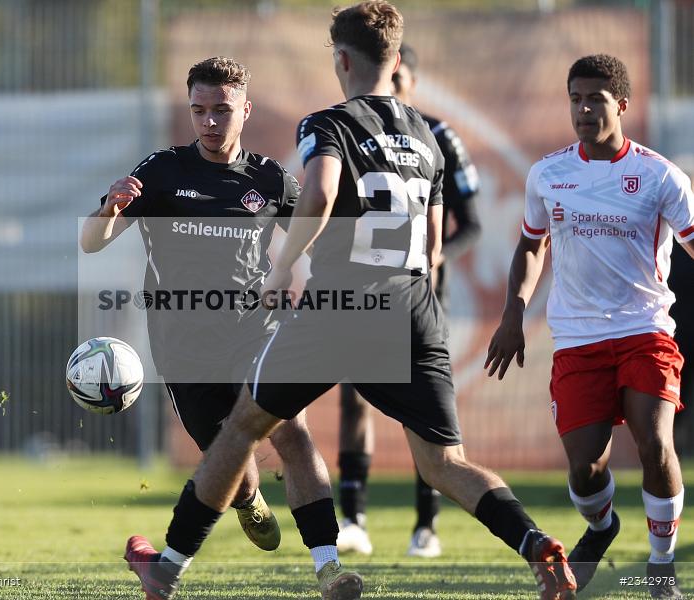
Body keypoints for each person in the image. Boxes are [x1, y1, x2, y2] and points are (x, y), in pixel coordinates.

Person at [125, 3, 576, 600]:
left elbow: (320, 193)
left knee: (243, 428)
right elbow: (436, 243)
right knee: (444, 464)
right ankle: (537, 545)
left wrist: (284, 267)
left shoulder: (328, 124)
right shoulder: (428, 134)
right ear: (395, 60)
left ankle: (168, 569)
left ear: (341, 59)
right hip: (414, 306)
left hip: (342, 304)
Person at [80, 56, 343, 591]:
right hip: (181, 345)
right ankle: (248, 496)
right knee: (228, 457)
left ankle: (329, 565)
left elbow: (319, 231)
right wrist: (110, 208)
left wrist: (300, 272)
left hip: (256, 329)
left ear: (244, 110)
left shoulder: (269, 180)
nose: (210, 122)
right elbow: (90, 242)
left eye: (222, 110)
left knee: (292, 430)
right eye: (199, 111)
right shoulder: (161, 171)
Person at [486, 54, 694, 599]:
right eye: (575, 97)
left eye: (595, 98)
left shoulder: (660, 176)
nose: (582, 108)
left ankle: (659, 567)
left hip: (645, 330)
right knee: (585, 471)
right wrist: (513, 313)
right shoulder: (548, 174)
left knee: (654, 442)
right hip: (577, 339)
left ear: (620, 104)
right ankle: (603, 527)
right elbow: (532, 245)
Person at [336, 43, 481, 559]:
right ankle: (352, 518)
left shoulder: (437, 135)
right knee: (355, 400)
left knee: (424, 417)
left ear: (408, 82)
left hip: (420, 296)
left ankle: (427, 525)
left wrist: (434, 258)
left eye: (396, 87)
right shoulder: (352, 133)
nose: (387, 97)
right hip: (367, 293)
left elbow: (473, 222)